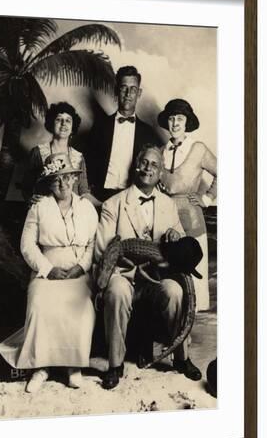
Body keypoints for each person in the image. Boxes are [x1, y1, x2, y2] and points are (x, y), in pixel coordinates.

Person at [95, 144, 202, 390]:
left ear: (161, 172)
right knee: (118, 291)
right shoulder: (114, 204)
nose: (148, 168)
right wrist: (129, 262)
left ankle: (181, 358)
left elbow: (180, 248)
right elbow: (103, 250)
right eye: (144, 162)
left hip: (156, 277)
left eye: (155, 164)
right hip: (123, 275)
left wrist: (176, 235)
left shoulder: (168, 205)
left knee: (175, 291)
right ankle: (115, 364)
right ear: (136, 166)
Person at [0, 152, 99, 393]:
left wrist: (81, 267)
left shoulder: (87, 208)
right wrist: (48, 269)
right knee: (40, 304)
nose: (62, 184)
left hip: (78, 270)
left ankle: (72, 366)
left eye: (67, 178)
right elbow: (27, 245)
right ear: (49, 182)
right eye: (56, 179)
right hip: (47, 269)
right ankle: (40, 367)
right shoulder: (39, 207)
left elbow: (93, 243)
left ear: (75, 179)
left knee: (82, 308)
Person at [158, 99, 217, 311]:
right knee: (170, 274)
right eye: (171, 118)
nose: (175, 123)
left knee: (194, 276)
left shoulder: (198, 149)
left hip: (191, 217)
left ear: (187, 122)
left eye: (180, 119)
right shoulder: (160, 151)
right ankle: (174, 320)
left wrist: (207, 199)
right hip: (166, 219)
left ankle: (191, 320)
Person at [85, 65, 162, 204]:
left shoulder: (148, 133)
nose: (128, 94)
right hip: (100, 197)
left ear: (139, 93)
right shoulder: (100, 127)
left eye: (133, 89)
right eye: (123, 88)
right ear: (116, 91)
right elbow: (86, 162)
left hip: (133, 198)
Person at [22, 101, 101, 207]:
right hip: (45, 212)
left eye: (68, 121)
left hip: (71, 213)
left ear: (73, 127)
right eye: (59, 119)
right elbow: (26, 186)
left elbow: (84, 192)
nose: (64, 124)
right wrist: (30, 198)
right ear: (51, 123)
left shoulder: (78, 157)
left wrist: (103, 205)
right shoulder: (37, 152)